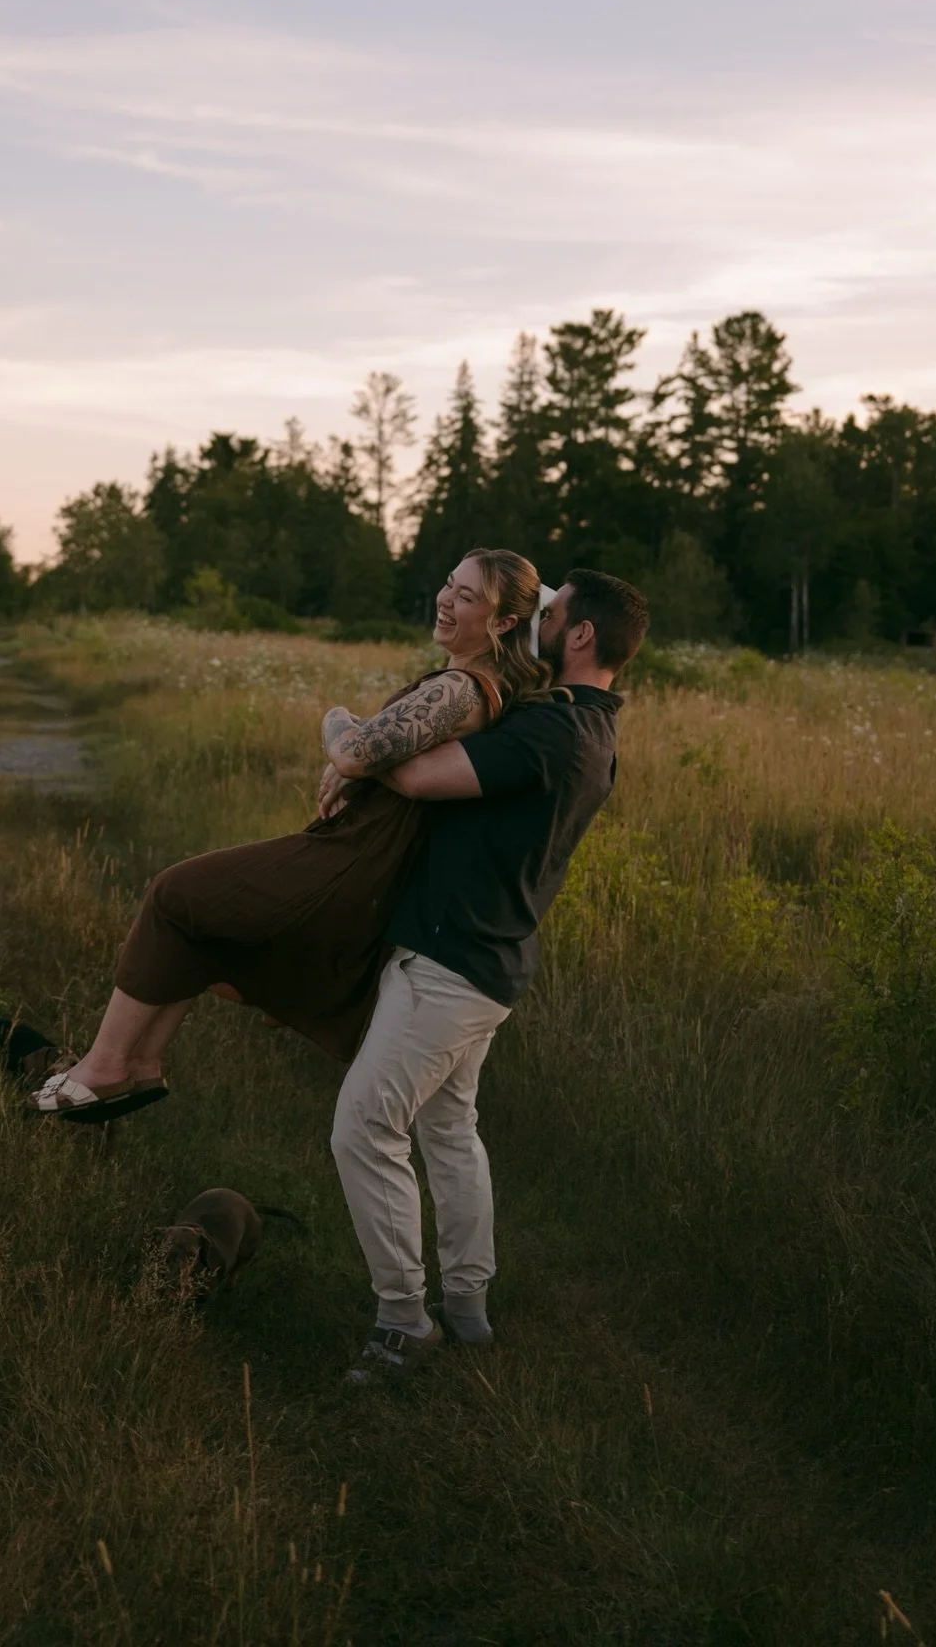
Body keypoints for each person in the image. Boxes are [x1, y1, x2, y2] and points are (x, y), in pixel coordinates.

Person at [24, 548, 553, 1124]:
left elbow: (355, 752)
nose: (446, 600)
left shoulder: (462, 689)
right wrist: (364, 761)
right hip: (358, 847)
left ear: (503, 622)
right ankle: (139, 1066)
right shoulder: (470, 683)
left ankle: (102, 1069)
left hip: (355, 857)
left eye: (467, 596)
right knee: (203, 915)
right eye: (449, 585)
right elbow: (379, 760)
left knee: (176, 893)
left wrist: (339, 716)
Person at [331, 567, 649, 1385]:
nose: (534, 619)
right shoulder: (586, 729)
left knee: (365, 1125)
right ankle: (467, 1308)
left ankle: (404, 1319)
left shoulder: (553, 734)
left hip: (453, 963)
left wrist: (344, 725)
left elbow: (408, 774)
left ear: (580, 636)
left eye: (550, 611)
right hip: (483, 958)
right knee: (447, 1128)